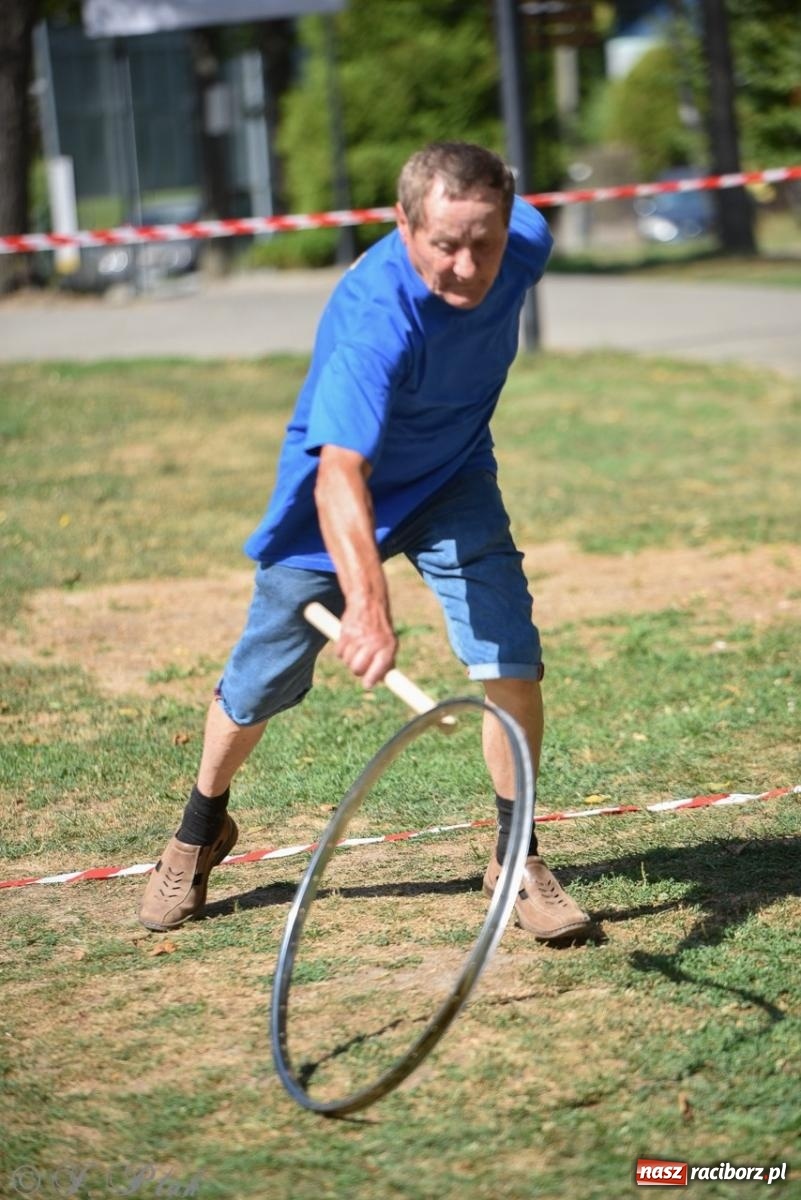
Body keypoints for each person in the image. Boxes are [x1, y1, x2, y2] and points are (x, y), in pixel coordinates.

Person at [138, 140, 592, 944]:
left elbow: (508, 233)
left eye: (480, 240)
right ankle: (199, 826)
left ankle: (514, 855)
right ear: (404, 226)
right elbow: (340, 472)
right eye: (443, 244)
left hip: (452, 476)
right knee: (256, 681)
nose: (464, 263)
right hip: (335, 503)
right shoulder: (375, 318)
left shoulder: (523, 239)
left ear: (508, 221)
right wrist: (367, 607)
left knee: (509, 655)